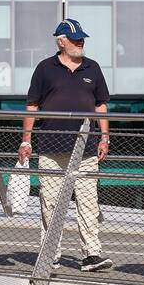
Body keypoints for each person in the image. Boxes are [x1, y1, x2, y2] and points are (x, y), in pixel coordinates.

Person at [19, 19, 112, 272]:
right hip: (51, 147)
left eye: (81, 38)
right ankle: (51, 252)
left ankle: (91, 254)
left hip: (86, 148)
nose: (80, 42)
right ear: (61, 41)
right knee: (49, 202)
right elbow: (32, 106)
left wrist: (104, 137)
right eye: (75, 39)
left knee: (88, 202)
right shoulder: (44, 68)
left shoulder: (92, 68)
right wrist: (26, 140)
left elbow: (100, 105)